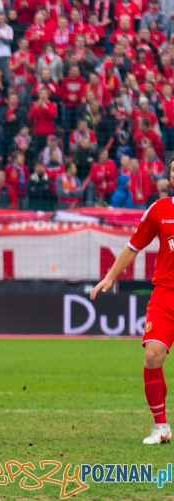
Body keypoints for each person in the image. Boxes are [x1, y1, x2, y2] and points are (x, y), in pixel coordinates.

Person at [91, 156, 174, 445]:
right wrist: (110, 277)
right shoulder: (159, 210)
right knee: (152, 355)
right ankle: (161, 427)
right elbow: (133, 247)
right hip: (165, 293)